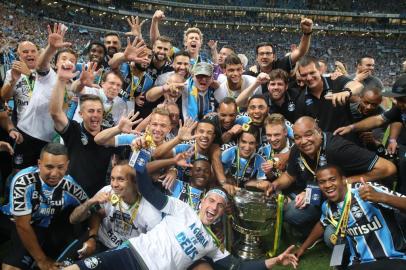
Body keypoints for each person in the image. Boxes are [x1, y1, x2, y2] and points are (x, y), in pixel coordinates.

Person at [64, 163, 299, 270]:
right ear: (202, 202)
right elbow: (146, 188)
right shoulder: (181, 209)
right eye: (211, 200)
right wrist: (142, 153)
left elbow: (238, 266)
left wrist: (274, 261)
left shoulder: (213, 245)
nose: (214, 207)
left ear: (221, 214)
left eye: (220, 205)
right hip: (129, 253)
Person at [267, 116, 396, 236]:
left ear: (318, 131)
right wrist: (274, 185)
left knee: (331, 236)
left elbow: (389, 168)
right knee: (291, 212)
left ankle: (332, 228)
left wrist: (346, 181)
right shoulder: (297, 149)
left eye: (308, 134)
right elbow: (290, 176)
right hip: (322, 196)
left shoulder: (338, 149)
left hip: (350, 199)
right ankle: (320, 228)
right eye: (298, 137)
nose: (303, 141)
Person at [296, 164, 406, 269]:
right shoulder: (328, 207)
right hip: (360, 263)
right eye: (322, 182)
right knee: (334, 236)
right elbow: (322, 225)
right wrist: (302, 248)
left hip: (394, 258)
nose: (328, 185)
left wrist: (381, 197)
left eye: (333, 179)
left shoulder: (367, 189)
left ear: (344, 180)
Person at [1, 143, 88, 270]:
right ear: (39, 164)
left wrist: (92, 236)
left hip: (39, 227)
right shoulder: (24, 180)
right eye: (49, 167)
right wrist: (42, 260)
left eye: (60, 167)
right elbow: (22, 224)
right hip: (12, 219)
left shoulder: (70, 186)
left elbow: (94, 209)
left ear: (67, 165)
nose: (54, 173)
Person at [49, 60, 126, 197]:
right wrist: (61, 80)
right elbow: (56, 113)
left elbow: (122, 157)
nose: (95, 115)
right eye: (91, 111)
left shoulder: (109, 135)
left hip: (98, 196)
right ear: (80, 114)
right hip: (70, 194)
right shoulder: (74, 130)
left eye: (98, 111)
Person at [65, 162, 162, 259]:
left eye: (121, 179)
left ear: (135, 182)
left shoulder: (151, 212)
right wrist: (90, 202)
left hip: (126, 253)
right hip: (99, 241)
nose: (114, 184)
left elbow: (155, 246)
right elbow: (74, 219)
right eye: (112, 178)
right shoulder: (107, 192)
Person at [13, 23, 77, 170]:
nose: (68, 62)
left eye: (72, 61)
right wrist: (52, 48)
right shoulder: (49, 76)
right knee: (19, 173)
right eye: (64, 58)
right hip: (27, 133)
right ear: (55, 63)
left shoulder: (74, 86)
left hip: (50, 140)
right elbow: (41, 65)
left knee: (42, 177)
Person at [334, 74, 406, 194]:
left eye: (400, 99)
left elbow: (379, 145)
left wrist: (375, 142)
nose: (395, 102)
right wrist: (352, 127)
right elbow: (380, 119)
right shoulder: (399, 108)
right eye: (396, 98)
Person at [294, 56, 363, 137]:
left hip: (348, 142)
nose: (309, 78)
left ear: (320, 70)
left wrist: (346, 92)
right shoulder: (301, 100)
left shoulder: (335, 80)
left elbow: (358, 85)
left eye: (312, 73)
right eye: (304, 75)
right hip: (326, 146)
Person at [245, 18, 313, 92]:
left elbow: (300, 52)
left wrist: (307, 33)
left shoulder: (281, 65)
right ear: (257, 57)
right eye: (261, 54)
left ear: (274, 56)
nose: (264, 56)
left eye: (268, 53)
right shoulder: (251, 76)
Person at [1, 40, 39, 124]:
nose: (30, 54)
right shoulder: (11, 72)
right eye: (25, 52)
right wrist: (13, 81)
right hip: (23, 126)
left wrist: (30, 74)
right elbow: (4, 97)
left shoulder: (46, 72)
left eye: (33, 51)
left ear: (37, 54)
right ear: (19, 56)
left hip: (45, 126)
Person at [221, 127, 267, 194]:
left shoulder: (261, 159)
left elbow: (261, 184)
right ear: (238, 141)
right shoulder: (227, 152)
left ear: (256, 144)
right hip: (226, 189)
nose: (247, 147)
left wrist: (250, 184)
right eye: (244, 142)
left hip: (244, 193)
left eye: (251, 143)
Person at [259, 114, 293, 182]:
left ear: (285, 132)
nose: (272, 139)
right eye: (269, 135)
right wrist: (269, 173)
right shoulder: (263, 150)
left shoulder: (296, 148)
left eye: (276, 135)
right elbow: (271, 180)